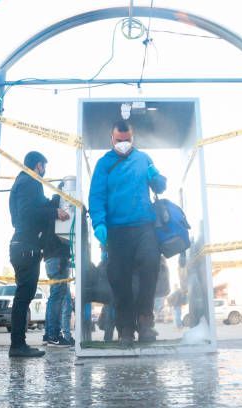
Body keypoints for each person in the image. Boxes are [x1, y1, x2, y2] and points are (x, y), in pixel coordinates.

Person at [88, 120, 167, 347]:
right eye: (119, 140)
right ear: (112, 139)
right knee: (119, 278)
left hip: (145, 226)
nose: (124, 143)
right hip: (116, 230)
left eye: (127, 140)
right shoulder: (104, 164)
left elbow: (160, 188)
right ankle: (125, 328)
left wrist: (156, 176)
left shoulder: (144, 159)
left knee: (150, 268)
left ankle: (145, 322)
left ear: (133, 138)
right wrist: (99, 223)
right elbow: (97, 196)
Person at [8, 151, 69, 357]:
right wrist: (54, 212)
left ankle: (18, 345)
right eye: (44, 166)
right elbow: (28, 212)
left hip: (24, 246)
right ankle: (17, 346)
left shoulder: (23, 182)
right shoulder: (30, 181)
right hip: (26, 248)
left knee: (24, 296)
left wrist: (56, 200)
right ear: (39, 165)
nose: (45, 170)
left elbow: (36, 207)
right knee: (23, 297)